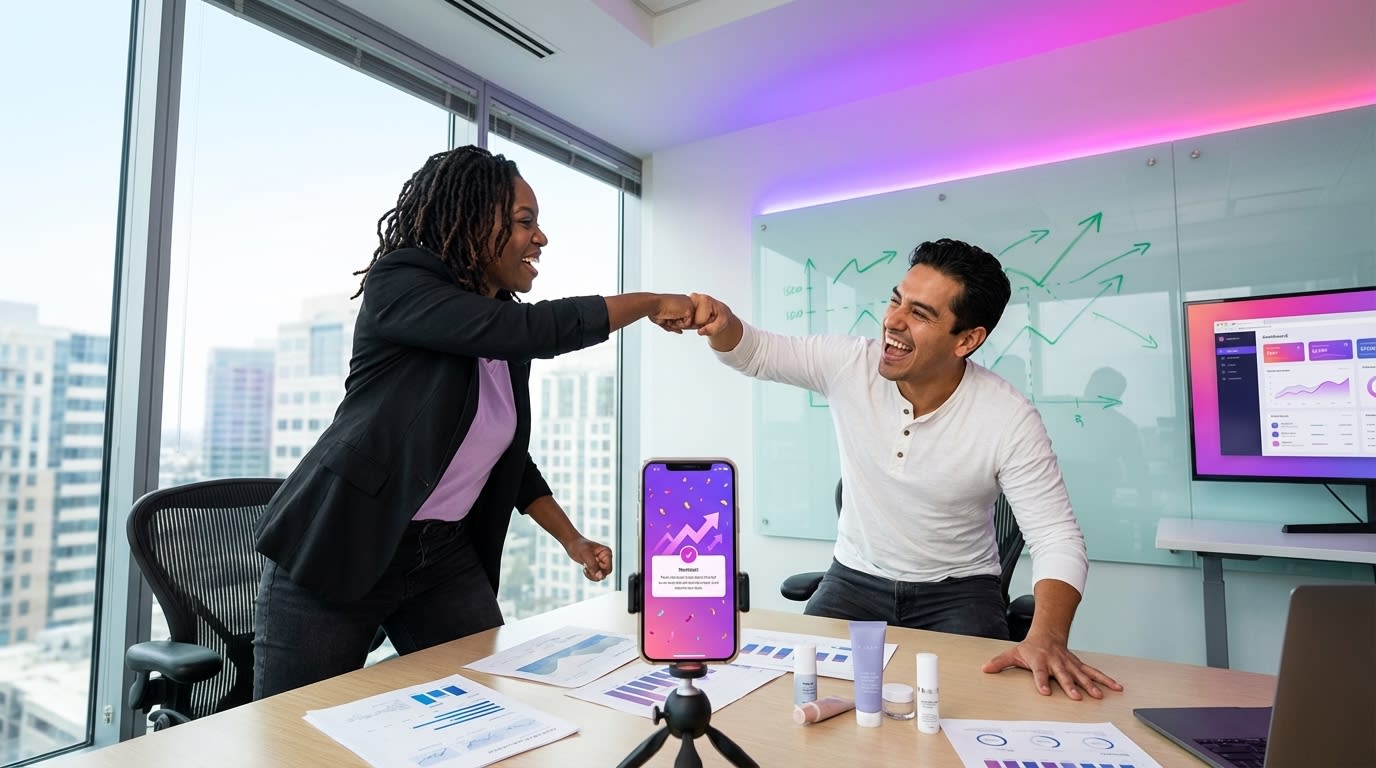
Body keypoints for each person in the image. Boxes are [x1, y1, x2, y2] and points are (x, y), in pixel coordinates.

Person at [252, 145, 695, 699]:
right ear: (471, 219)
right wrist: (650, 302)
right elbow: (533, 329)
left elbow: (507, 457)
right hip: (343, 539)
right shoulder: (401, 285)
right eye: (524, 222)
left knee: (488, 703)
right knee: (294, 733)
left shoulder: (500, 328)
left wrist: (573, 540)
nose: (541, 238)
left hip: (439, 556)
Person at [688, 238, 1122, 701]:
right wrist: (723, 325)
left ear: (967, 339)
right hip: (853, 579)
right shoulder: (850, 364)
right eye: (897, 300)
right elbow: (754, 352)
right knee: (799, 699)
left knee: (971, 709)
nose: (893, 321)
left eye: (920, 313)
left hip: (959, 593)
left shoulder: (1008, 417)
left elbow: (1056, 536)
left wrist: (1047, 636)